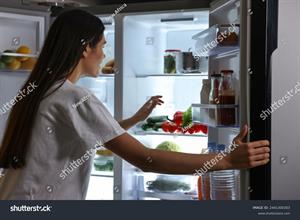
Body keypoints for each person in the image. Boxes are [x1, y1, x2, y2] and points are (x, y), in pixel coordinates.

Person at [0, 9, 270, 200]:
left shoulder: (42, 91)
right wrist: (226, 161)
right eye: (102, 46)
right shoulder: (74, 96)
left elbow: (83, 133)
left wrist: (136, 118)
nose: (104, 53)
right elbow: (146, 159)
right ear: (85, 48)